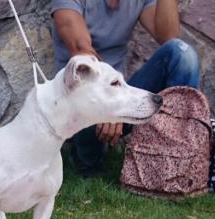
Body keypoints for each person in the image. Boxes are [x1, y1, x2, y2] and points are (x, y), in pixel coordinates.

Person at [51, 0, 200, 176]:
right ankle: (84, 157)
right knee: (87, 98)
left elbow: (168, 36)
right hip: (81, 101)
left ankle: (171, 165)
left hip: (117, 98)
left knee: (181, 53)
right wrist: (110, 106)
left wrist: (117, 107)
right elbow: (81, 50)